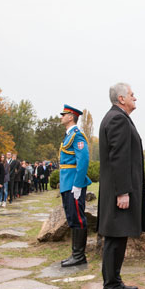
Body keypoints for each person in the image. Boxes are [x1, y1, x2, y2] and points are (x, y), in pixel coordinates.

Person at [98, 83, 145, 289]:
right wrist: (123, 192)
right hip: (119, 191)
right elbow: (118, 158)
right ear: (121, 99)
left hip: (118, 189)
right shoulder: (117, 119)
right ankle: (110, 288)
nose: (135, 98)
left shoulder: (118, 117)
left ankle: (115, 281)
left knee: (119, 236)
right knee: (115, 238)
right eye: (131, 95)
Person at [58, 104, 92, 267]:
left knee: (77, 217)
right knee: (72, 217)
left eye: (63, 114)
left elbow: (83, 161)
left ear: (71, 117)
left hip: (73, 183)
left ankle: (79, 256)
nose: (61, 117)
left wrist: (78, 185)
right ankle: (75, 254)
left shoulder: (77, 135)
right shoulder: (68, 135)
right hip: (67, 182)